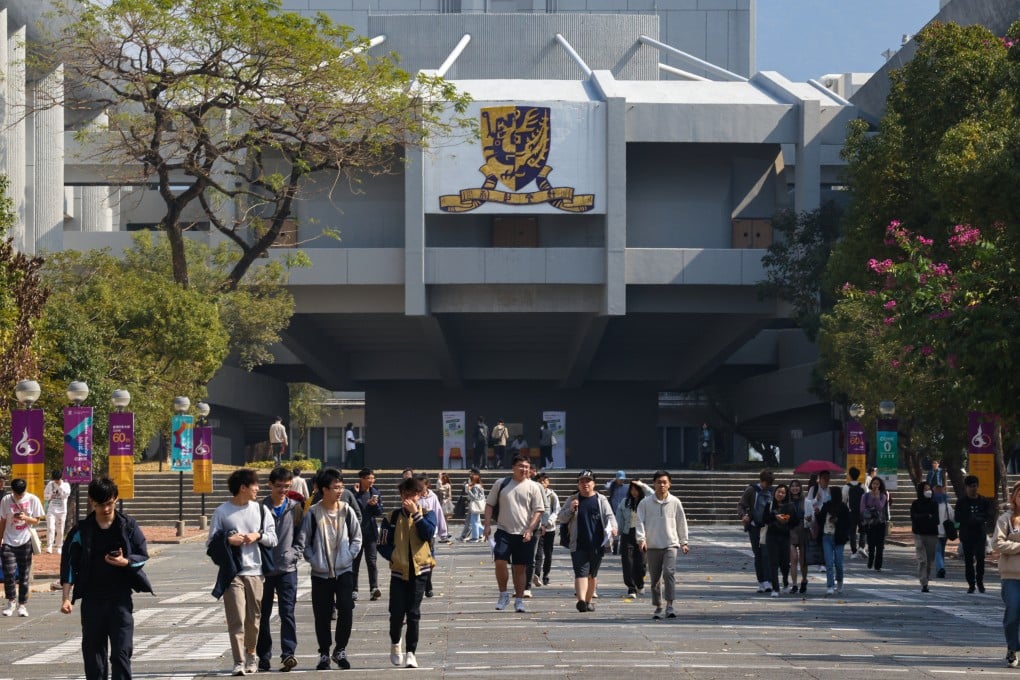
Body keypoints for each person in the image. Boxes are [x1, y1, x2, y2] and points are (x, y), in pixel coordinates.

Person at [59, 477, 152, 680]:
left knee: (121, 653)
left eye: (109, 503)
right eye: (101, 504)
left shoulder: (127, 526)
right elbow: (68, 565)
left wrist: (125, 562)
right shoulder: (81, 531)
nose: (106, 508)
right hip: (92, 601)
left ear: (116, 499)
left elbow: (142, 555)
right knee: (94, 657)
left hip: (120, 600)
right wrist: (66, 598)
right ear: (92, 501)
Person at [208, 469, 279, 676]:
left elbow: (272, 538)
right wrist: (229, 540)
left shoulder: (261, 510)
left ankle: (251, 654)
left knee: (253, 618)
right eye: (255, 485)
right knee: (236, 617)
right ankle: (238, 661)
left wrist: (258, 535)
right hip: (233, 573)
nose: (258, 489)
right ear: (243, 488)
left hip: (256, 572)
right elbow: (211, 542)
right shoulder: (222, 512)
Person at [299, 467, 362, 671]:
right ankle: (324, 653)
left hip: (344, 571)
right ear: (324, 489)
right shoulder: (314, 513)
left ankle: (340, 649)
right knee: (322, 615)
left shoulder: (346, 510)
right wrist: (313, 560)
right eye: (335, 487)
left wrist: (349, 556)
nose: (339, 491)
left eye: (341, 487)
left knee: (346, 609)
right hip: (320, 574)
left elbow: (357, 538)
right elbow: (304, 541)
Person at [379, 476, 437, 669]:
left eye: (413, 494)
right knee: (396, 613)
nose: (409, 498)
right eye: (405, 494)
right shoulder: (391, 517)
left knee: (413, 613)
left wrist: (416, 515)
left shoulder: (428, 514)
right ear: (401, 495)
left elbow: (427, 534)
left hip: (421, 571)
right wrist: (394, 556)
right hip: (399, 572)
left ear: (419, 495)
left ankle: (411, 652)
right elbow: (382, 544)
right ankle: (396, 643)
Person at [256, 467, 304, 673]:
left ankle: (288, 653)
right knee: (262, 614)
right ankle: (264, 656)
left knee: (287, 612)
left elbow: (301, 535)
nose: (283, 490)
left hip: (287, 568)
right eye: (278, 486)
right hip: (264, 569)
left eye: (286, 486)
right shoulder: (259, 508)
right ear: (270, 485)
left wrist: (294, 554)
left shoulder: (295, 507)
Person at [483, 454, 545, 613]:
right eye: (520, 466)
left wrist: (530, 529)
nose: (524, 469)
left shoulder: (535, 487)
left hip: (524, 534)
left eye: (526, 466)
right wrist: (487, 524)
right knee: (499, 561)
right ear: (513, 467)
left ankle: (518, 600)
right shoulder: (501, 484)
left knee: (520, 569)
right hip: (504, 531)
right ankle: (503, 594)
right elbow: (489, 504)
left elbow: (538, 510)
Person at [557, 470, 618, 613]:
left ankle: (588, 601)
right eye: (582, 481)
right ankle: (581, 601)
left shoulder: (601, 499)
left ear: (593, 484)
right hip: (578, 544)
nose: (585, 484)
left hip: (597, 544)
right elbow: (562, 518)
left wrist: (614, 528)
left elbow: (610, 516)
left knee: (592, 575)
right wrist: (571, 509)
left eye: (588, 481)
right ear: (578, 484)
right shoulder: (572, 499)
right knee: (580, 572)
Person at [636, 470, 689, 619]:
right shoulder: (645, 503)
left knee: (669, 573)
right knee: (655, 579)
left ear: (669, 484)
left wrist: (684, 542)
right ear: (654, 484)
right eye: (659, 482)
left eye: (665, 482)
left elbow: (681, 522)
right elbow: (639, 522)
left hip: (670, 544)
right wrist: (641, 539)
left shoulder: (675, 502)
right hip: (652, 545)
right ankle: (658, 606)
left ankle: (670, 605)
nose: (662, 485)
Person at [0, 477, 45, 617]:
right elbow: (2, 520)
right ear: (12, 491)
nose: (19, 496)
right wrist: (0, 539)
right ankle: (11, 602)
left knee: (24, 576)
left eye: (21, 494)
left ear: (25, 490)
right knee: (8, 573)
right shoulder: (6, 500)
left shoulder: (33, 499)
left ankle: (22, 605)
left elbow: (37, 520)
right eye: (16, 494)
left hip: (25, 541)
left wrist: (25, 518)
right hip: (8, 541)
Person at [993, 481, 1020, 668]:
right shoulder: (1006, 519)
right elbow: (997, 543)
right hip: (1012, 576)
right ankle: (1013, 648)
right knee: (1013, 613)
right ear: (1014, 497)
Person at [955, 474, 995, 593]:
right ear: (966, 487)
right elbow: (957, 517)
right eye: (971, 486)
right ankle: (971, 584)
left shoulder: (983, 501)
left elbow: (988, 515)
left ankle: (980, 582)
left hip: (979, 534)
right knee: (968, 561)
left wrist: (978, 519)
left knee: (981, 559)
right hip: (967, 534)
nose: (974, 488)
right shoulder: (961, 502)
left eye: (976, 486)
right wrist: (968, 519)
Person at [737, 469, 774, 592]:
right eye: (766, 483)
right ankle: (761, 582)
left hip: (766, 527)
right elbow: (741, 504)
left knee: (766, 554)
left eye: (770, 484)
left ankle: (769, 581)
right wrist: (743, 516)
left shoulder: (771, 491)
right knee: (757, 555)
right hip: (753, 526)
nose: (767, 486)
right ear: (761, 481)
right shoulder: (752, 490)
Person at [616, 479, 653, 597]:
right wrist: (617, 534)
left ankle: (640, 584)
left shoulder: (647, 501)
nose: (634, 492)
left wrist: (642, 484)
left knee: (641, 562)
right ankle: (631, 588)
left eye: (636, 489)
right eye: (632, 489)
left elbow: (653, 494)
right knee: (627, 562)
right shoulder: (625, 502)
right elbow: (619, 518)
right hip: (628, 534)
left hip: (643, 534)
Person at [352, 468, 384, 602]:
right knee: (355, 563)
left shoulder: (375, 492)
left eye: (373, 478)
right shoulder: (352, 492)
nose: (371, 481)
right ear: (362, 478)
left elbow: (380, 512)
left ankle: (374, 588)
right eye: (369, 478)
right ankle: (353, 589)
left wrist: (374, 505)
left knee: (372, 561)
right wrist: (355, 493)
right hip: (355, 533)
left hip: (370, 532)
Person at [415, 474, 448, 597]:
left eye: (421, 484)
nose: (419, 487)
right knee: (417, 559)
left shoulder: (432, 497)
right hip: (416, 532)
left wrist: (443, 532)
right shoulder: (414, 496)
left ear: (427, 485)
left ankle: (428, 584)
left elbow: (438, 513)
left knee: (430, 560)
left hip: (430, 533)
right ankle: (419, 584)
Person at [816, 485, 851, 596]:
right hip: (826, 536)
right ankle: (830, 585)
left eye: (830, 494)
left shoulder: (843, 507)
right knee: (829, 563)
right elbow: (821, 519)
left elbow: (847, 524)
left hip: (838, 538)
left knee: (838, 563)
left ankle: (839, 581)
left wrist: (838, 521)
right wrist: (817, 513)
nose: (828, 496)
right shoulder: (826, 506)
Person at [530, 472, 561, 589]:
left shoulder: (552, 495)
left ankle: (546, 575)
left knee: (548, 554)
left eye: (544, 481)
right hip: (538, 528)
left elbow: (556, 510)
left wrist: (549, 522)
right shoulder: (533, 494)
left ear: (548, 483)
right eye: (540, 481)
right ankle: (536, 575)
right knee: (538, 553)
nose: (542, 483)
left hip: (549, 529)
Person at [765, 483, 794, 597]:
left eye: (783, 492)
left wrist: (786, 519)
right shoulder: (770, 505)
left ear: (786, 494)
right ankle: (775, 589)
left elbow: (795, 521)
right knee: (773, 563)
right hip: (772, 536)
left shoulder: (790, 506)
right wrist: (774, 517)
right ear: (775, 492)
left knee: (785, 562)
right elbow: (764, 519)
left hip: (785, 536)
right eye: (778, 491)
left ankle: (785, 580)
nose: (780, 494)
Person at [910, 481, 939, 593]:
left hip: (932, 534)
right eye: (926, 489)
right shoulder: (916, 504)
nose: (928, 491)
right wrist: (926, 516)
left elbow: (936, 520)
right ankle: (924, 583)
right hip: (919, 534)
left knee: (929, 560)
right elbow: (914, 517)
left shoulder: (934, 504)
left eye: (929, 489)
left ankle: (926, 577)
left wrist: (923, 518)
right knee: (922, 560)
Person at [861, 476, 890, 571]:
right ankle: (870, 560)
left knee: (880, 545)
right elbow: (862, 509)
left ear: (880, 485)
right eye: (874, 483)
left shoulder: (883, 496)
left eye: (877, 484)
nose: (875, 486)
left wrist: (877, 498)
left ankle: (878, 565)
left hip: (880, 523)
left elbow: (881, 507)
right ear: (871, 484)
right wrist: (871, 510)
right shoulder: (865, 496)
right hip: (870, 523)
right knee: (871, 544)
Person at [788, 479, 810, 594]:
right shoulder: (787, 501)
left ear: (800, 488)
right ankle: (794, 584)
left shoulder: (806, 501)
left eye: (797, 486)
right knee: (793, 559)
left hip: (803, 529)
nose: (795, 488)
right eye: (792, 486)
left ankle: (804, 580)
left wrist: (809, 519)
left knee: (803, 559)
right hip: (791, 529)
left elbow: (810, 517)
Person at [44, 469, 72, 554]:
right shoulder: (50, 484)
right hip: (51, 510)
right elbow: (45, 495)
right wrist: (50, 496)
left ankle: (59, 546)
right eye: (54, 479)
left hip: (62, 511)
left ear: (60, 478)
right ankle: (49, 546)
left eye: (57, 479)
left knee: (60, 529)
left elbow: (65, 495)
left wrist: (59, 487)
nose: (55, 481)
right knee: (50, 528)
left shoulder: (66, 485)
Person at [605, 471, 629, 555]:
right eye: (619, 479)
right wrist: (613, 480)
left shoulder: (626, 488)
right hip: (614, 511)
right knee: (615, 531)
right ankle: (615, 550)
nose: (621, 480)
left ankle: (622, 549)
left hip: (624, 512)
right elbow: (606, 486)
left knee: (623, 530)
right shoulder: (612, 487)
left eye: (623, 479)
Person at [845, 467, 866, 559]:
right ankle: (862, 547)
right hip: (862, 512)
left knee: (852, 532)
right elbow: (866, 498)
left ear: (850, 475)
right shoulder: (863, 486)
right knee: (863, 530)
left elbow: (843, 500)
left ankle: (854, 551)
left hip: (851, 512)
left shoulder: (846, 487)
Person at [934, 482, 954, 579]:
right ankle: (940, 568)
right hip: (945, 532)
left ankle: (940, 568)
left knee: (937, 551)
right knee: (941, 551)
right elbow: (952, 517)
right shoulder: (947, 505)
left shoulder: (932, 504)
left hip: (935, 531)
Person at [462, 472, 486, 542]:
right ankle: (483, 533)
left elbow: (475, 497)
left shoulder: (475, 487)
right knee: (477, 521)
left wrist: (469, 491)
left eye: (470, 479)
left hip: (475, 505)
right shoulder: (480, 486)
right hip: (480, 505)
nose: (469, 480)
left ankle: (475, 537)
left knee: (474, 522)